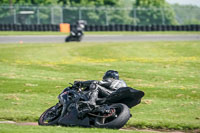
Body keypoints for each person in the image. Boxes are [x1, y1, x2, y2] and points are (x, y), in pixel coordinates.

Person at [59, 70, 127, 118]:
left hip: (111, 93)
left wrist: (81, 83)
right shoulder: (121, 83)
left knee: (95, 85)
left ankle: (91, 102)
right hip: (115, 97)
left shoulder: (112, 80)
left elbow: (96, 82)